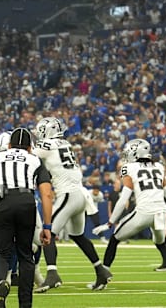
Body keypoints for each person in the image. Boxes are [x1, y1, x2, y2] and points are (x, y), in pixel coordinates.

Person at [0, 127, 53, 308]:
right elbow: (46, 194)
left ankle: (1, 281)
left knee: (1, 253)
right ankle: (25, 304)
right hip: (26, 201)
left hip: (2, 201)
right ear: (30, 147)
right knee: (26, 255)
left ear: (9, 145)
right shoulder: (35, 160)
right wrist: (47, 226)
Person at [32, 117, 112, 292]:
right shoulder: (64, 144)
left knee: (47, 234)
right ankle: (101, 271)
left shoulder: (47, 145)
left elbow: (29, 157)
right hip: (80, 194)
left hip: (67, 195)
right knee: (78, 236)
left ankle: (52, 274)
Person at [93, 139, 166, 289]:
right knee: (160, 244)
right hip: (160, 212)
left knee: (114, 239)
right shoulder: (159, 166)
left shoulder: (128, 168)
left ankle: (103, 278)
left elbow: (123, 200)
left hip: (143, 212)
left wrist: (110, 223)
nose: (126, 154)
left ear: (136, 152)